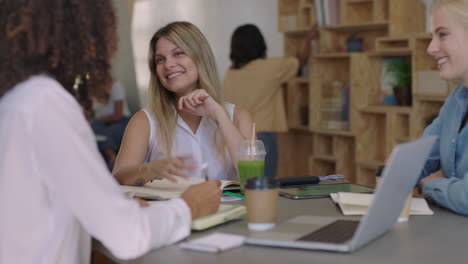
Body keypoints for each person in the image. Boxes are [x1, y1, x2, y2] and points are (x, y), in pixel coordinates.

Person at [0, 1, 221, 263]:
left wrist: (119, 208)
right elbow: (127, 236)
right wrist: (189, 207)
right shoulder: (44, 104)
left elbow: (57, 205)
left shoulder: (18, 101)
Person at [113, 21, 253, 186]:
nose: (169, 64)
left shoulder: (239, 116)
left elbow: (251, 178)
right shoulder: (144, 121)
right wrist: (151, 169)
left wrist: (219, 114)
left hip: (228, 211)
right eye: (160, 59)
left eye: (178, 53)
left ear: (200, 56)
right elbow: (117, 180)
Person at [223, 24, 318, 178]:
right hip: (261, 137)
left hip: (234, 137)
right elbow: (301, 61)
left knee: (242, 186)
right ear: (261, 44)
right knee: (262, 185)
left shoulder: (230, 73)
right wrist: (308, 38)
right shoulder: (269, 68)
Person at [418, 0, 468, 215]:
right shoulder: (457, 98)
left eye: (443, 34)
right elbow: (420, 156)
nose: (431, 48)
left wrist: (428, 185)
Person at [90, 81, 131, 168]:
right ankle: (111, 158)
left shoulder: (116, 86)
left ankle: (112, 158)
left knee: (105, 134)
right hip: (102, 124)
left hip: (121, 121)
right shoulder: (93, 90)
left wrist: (98, 119)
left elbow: (118, 115)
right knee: (94, 129)